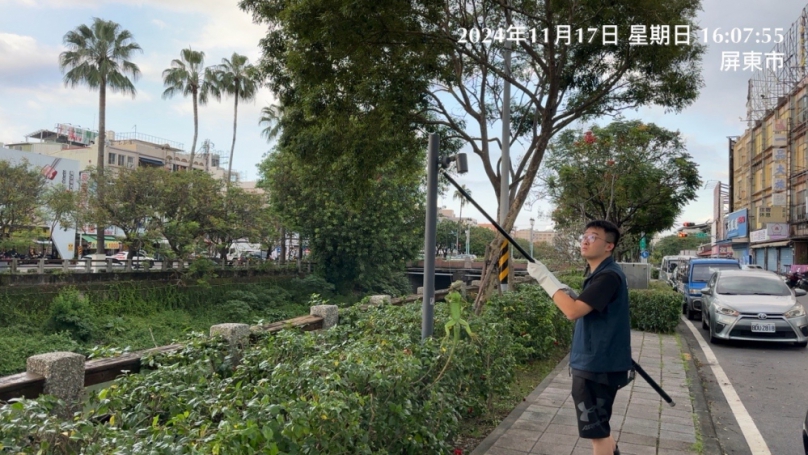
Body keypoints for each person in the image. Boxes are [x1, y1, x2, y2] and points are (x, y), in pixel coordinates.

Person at [527, 219, 631, 455]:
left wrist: (545, 279)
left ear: (609, 246)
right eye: (584, 236)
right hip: (597, 364)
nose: (585, 240)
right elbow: (580, 307)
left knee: (597, 433)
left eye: (593, 237)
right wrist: (558, 285)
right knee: (599, 426)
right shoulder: (602, 274)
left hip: (597, 367)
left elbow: (572, 311)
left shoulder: (608, 277)